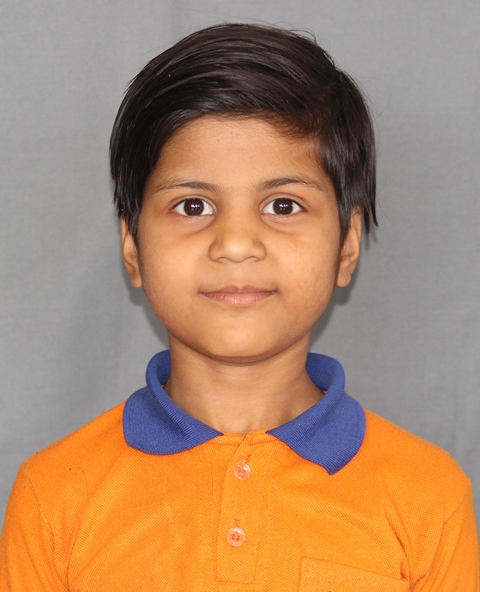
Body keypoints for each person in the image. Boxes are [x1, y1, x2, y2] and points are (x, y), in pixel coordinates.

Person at [0, 23, 478, 591]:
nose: (234, 243)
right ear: (132, 247)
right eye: (192, 205)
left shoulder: (429, 496)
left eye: (283, 205)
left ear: (347, 246)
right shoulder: (54, 495)